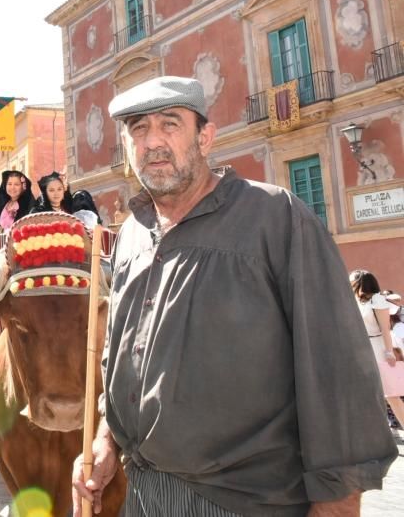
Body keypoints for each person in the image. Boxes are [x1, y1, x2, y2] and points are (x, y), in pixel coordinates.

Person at [72, 76, 396, 516]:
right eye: (138, 130)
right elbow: (121, 355)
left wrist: (337, 505)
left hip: (247, 503)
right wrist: (105, 440)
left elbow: (335, 370)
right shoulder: (130, 235)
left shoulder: (275, 218)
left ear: (206, 137)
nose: (153, 142)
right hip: (144, 496)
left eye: (170, 125)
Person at [350, 270, 404, 429]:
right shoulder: (358, 302)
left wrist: (388, 352)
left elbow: (385, 329)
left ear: (360, 282)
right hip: (364, 350)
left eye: (352, 279)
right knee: (372, 394)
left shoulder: (377, 299)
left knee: (391, 395)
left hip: (379, 349)